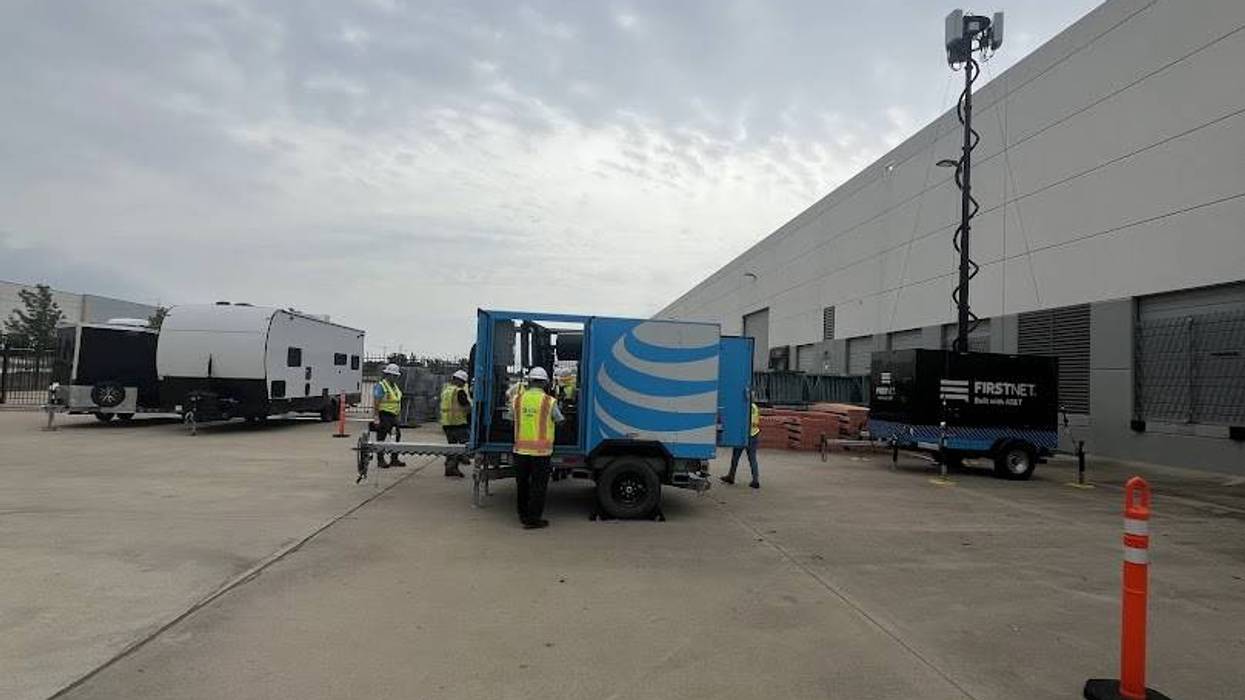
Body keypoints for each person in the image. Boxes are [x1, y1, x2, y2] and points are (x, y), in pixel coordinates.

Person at [511, 366, 563, 529]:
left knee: (522, 484)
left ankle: (523, 515)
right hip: (541, 452)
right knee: (538, 486)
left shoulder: (517, 399)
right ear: (545, 383)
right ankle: (533, 519)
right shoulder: (549, 401)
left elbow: (511, 418)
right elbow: (559, 420)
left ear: (529, 381)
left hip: (520, 450)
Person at [372, 363, 406, 468]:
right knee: (381, 437)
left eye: (396, 376)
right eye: (393, 375)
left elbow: (397, 401)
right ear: (387, 375)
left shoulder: (395, 387)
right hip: (384, 415)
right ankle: (380, 460)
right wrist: (376, 416)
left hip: (393, 416)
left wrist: (398, 415)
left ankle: (394, 459)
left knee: (396, 436)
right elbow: (377, 401)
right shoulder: (381, 385)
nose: (395, 377)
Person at [721, 399, 761, 488]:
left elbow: (740, 421)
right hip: (753, 434)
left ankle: (731, 476)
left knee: (736, 457)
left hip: (743, 435)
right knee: (752, 458)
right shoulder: (755, 407)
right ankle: (755, 480)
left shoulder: (743, 407)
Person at [439, 369, 471, 478]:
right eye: (463, 382)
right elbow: (466, 407)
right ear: (459, 380)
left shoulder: (446, 391)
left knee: (452, 446)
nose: (464, 384)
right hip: (458, 423)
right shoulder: (459, 391)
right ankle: (452, 466)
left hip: (447, 424)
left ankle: (449, 467)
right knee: (462, 447)